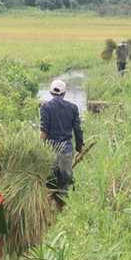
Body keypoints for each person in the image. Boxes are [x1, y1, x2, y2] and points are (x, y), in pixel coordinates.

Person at [40, 79, 84, 211]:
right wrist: (79, 148)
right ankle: (60, 211)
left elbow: (43, 132)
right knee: (64, 182)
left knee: (49, 180)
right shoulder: (73, 108)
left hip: (49, 151)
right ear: (64, 93)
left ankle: (48, 208)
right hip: (66, 152)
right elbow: (77, 130)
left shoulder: (45, 107)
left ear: (50, 92)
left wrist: (37, 149)